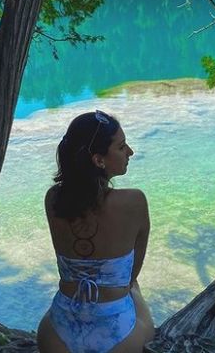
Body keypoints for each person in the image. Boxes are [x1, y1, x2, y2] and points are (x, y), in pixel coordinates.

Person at [36, 110, 155, 353]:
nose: (130, 152)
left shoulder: (53, 199)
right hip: (120, 337)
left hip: (56, 336)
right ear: (99, 160)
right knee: (134, 289)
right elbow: (132, 275)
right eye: (122, 147)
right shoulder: (134, 201)